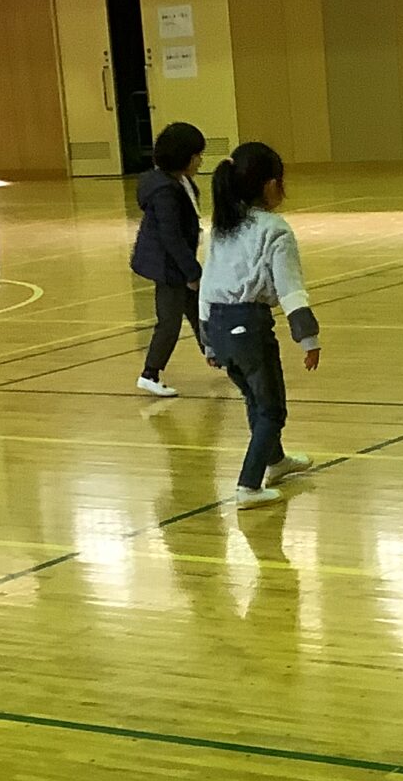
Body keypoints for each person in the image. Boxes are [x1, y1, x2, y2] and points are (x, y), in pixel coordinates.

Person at [200, 142, 321, 505]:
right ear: (270, 185)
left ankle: (276, 460)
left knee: (254, 397)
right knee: (271, 410)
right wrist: (308, 338)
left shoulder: (222, 226)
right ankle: (249, 485)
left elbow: (207, 284)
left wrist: (208, 340)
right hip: (249, 328)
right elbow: (291, 289)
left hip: (218, 326)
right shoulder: (275, 229)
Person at [129, 119, 206, 398]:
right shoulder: (165, 191)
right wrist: (191, 272)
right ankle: (149, 374)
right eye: (197, 155)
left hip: (176, 262)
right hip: (168, 266)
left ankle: (216, 355)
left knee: (199, 311)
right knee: (170, 322)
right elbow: (170, 236)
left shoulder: (180, 182)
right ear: (185, 157)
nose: (200, 161)